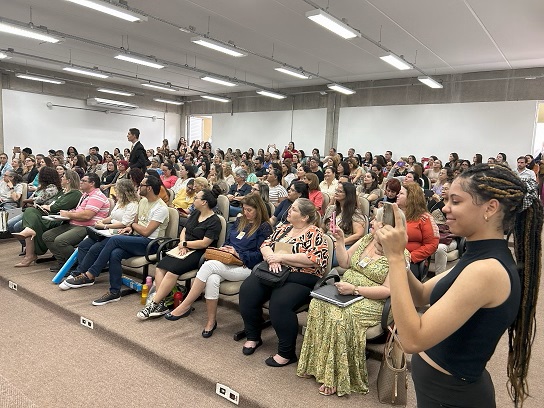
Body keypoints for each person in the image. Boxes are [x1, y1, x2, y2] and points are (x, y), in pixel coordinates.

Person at [376, 164, 543, 407]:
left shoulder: (487, 270)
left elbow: (413, 340)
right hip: (440, 392)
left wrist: (392, 257)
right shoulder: (477, 255)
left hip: (452, 397)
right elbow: (421, 295)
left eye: (456, 201)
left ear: (490, 208)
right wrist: (399, 256)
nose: (445, 208)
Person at [297, 207, 409, 396]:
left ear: (386, 226)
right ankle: (316, 366)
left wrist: (356, 290)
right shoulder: (367, 240)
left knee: (338, 317)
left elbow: (388, 290)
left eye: (375, 220)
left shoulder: (399, 254)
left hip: (374, 300)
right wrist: (340, 242)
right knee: (317, 303)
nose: (371, 222)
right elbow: (345, 263)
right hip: (347, 290)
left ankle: (336, 377)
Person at [150, 195, 273, 338]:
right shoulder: (240, 220)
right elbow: (228, 241)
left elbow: (261, 255)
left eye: (249, 210)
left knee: (209, 266)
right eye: (244, 209)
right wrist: (225, 249)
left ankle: (185, 305)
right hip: (227, 261)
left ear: (259, 210)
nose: (245, 213)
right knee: (212, 279)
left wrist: (239, 254)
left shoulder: (264, 227)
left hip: (247, 267)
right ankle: (211, 321)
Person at [239, 198, 329, 366]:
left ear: (304, 217)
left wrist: (280, 257)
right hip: (273, 271)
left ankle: (286, 353)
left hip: (301, 276)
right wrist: (271, 259)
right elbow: (266, 245)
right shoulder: (283, 228)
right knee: (247, 291)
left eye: (293, 209)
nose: (289, 211)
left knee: (279, 304)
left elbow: (314, 259)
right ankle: (253, 336)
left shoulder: (315, 234)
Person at [79, 175, 170, 305]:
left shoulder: (161, 208)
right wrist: (130, 228)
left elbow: (145, 231)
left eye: (141, 185)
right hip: (138, 238)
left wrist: (131, 226)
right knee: (115, 253)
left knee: (115, 240)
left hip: (151, 243)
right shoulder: (143, 201)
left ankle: (91, 273)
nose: (138, 187)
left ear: (149, 188)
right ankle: (114, 292)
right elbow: (136, 223)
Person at [136, 188, 221, 317]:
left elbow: (205, 243)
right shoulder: (195, 214)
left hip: (200, 253)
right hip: (184, 248)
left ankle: (154, 304)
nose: (194, 200)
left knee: (171, 272)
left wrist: (186, 244)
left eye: (196, 198)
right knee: (160, 267)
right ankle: (162, 302)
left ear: (204, 202)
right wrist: (182, 244)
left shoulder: (214, 221)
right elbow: (184, 231)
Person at [60, 179, 140, 289]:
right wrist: (102, 221)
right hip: (108, 231)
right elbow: (112, 217)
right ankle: (83, 271)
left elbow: (125, 223)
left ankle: (82, 274)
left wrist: (105, 226)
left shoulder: (133, 205)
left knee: (95, 248)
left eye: (117, 190)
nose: (115, 192)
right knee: (84, 245)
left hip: (120, 233)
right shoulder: (120, 202)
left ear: (123, 191)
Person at [12, 170, 82, 267]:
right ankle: (29, 243)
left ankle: (30, 254)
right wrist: (46, 206)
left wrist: (47, 207)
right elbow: (55, 205)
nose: (61, 178)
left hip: (58, 220)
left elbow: (56, 207)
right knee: (30, 211)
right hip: (50, 216)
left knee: (27, 221)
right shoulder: (65, 192)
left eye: (63, 177)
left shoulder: (75, 193)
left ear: (68, 180)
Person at [42, 173, 110, 272]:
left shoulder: (97, 196)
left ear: (92, 183)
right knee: (47, 236)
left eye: (84, 181)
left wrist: (68, 215)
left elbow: (87, 216)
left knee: (61, 241)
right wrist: (67, 213)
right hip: (75, 223)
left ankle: (75, 264)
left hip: (88, 227)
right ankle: (63, 263)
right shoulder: (85, 195)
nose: (80, 182)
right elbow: (79, 211)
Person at [396, 183, 439, 279]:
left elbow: (432, 245)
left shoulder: (425, 218)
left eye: (401, 193)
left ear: (411, 197)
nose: (397, 195)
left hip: (411, 260)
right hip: (387, 256)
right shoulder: (393, 213)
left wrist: (410, 257)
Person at [323, 182, 367, 266]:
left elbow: (358, 235)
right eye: (336, 190)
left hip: (343, 245)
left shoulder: (354, 213)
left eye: (339, 191)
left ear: (348, 195)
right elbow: (323, 227)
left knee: (322, 258)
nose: (336, 193)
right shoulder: (331, 209)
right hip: (327, 242)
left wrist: (339, 242)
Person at [8, 167, 61, 233]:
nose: (38, 176)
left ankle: (29, 242)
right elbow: (32, 197)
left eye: (40, 174)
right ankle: (25, 242)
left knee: (17, 226)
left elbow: (39, 200)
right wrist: (28, 201)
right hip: (30, 209)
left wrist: (26, 201)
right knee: (10, 224)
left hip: (40, 212)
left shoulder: (52, 188)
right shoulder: (40, 186)